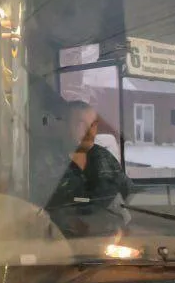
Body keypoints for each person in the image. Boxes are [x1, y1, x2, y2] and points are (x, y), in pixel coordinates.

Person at [44, 100, 131, 238]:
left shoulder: (103, 157)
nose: (88, 131)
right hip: (60, 238)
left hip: (105, 235)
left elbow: (125, 191)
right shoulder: (45, 160)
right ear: (63, 125)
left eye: (92, 125)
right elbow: (44, 204)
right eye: (80, 123)